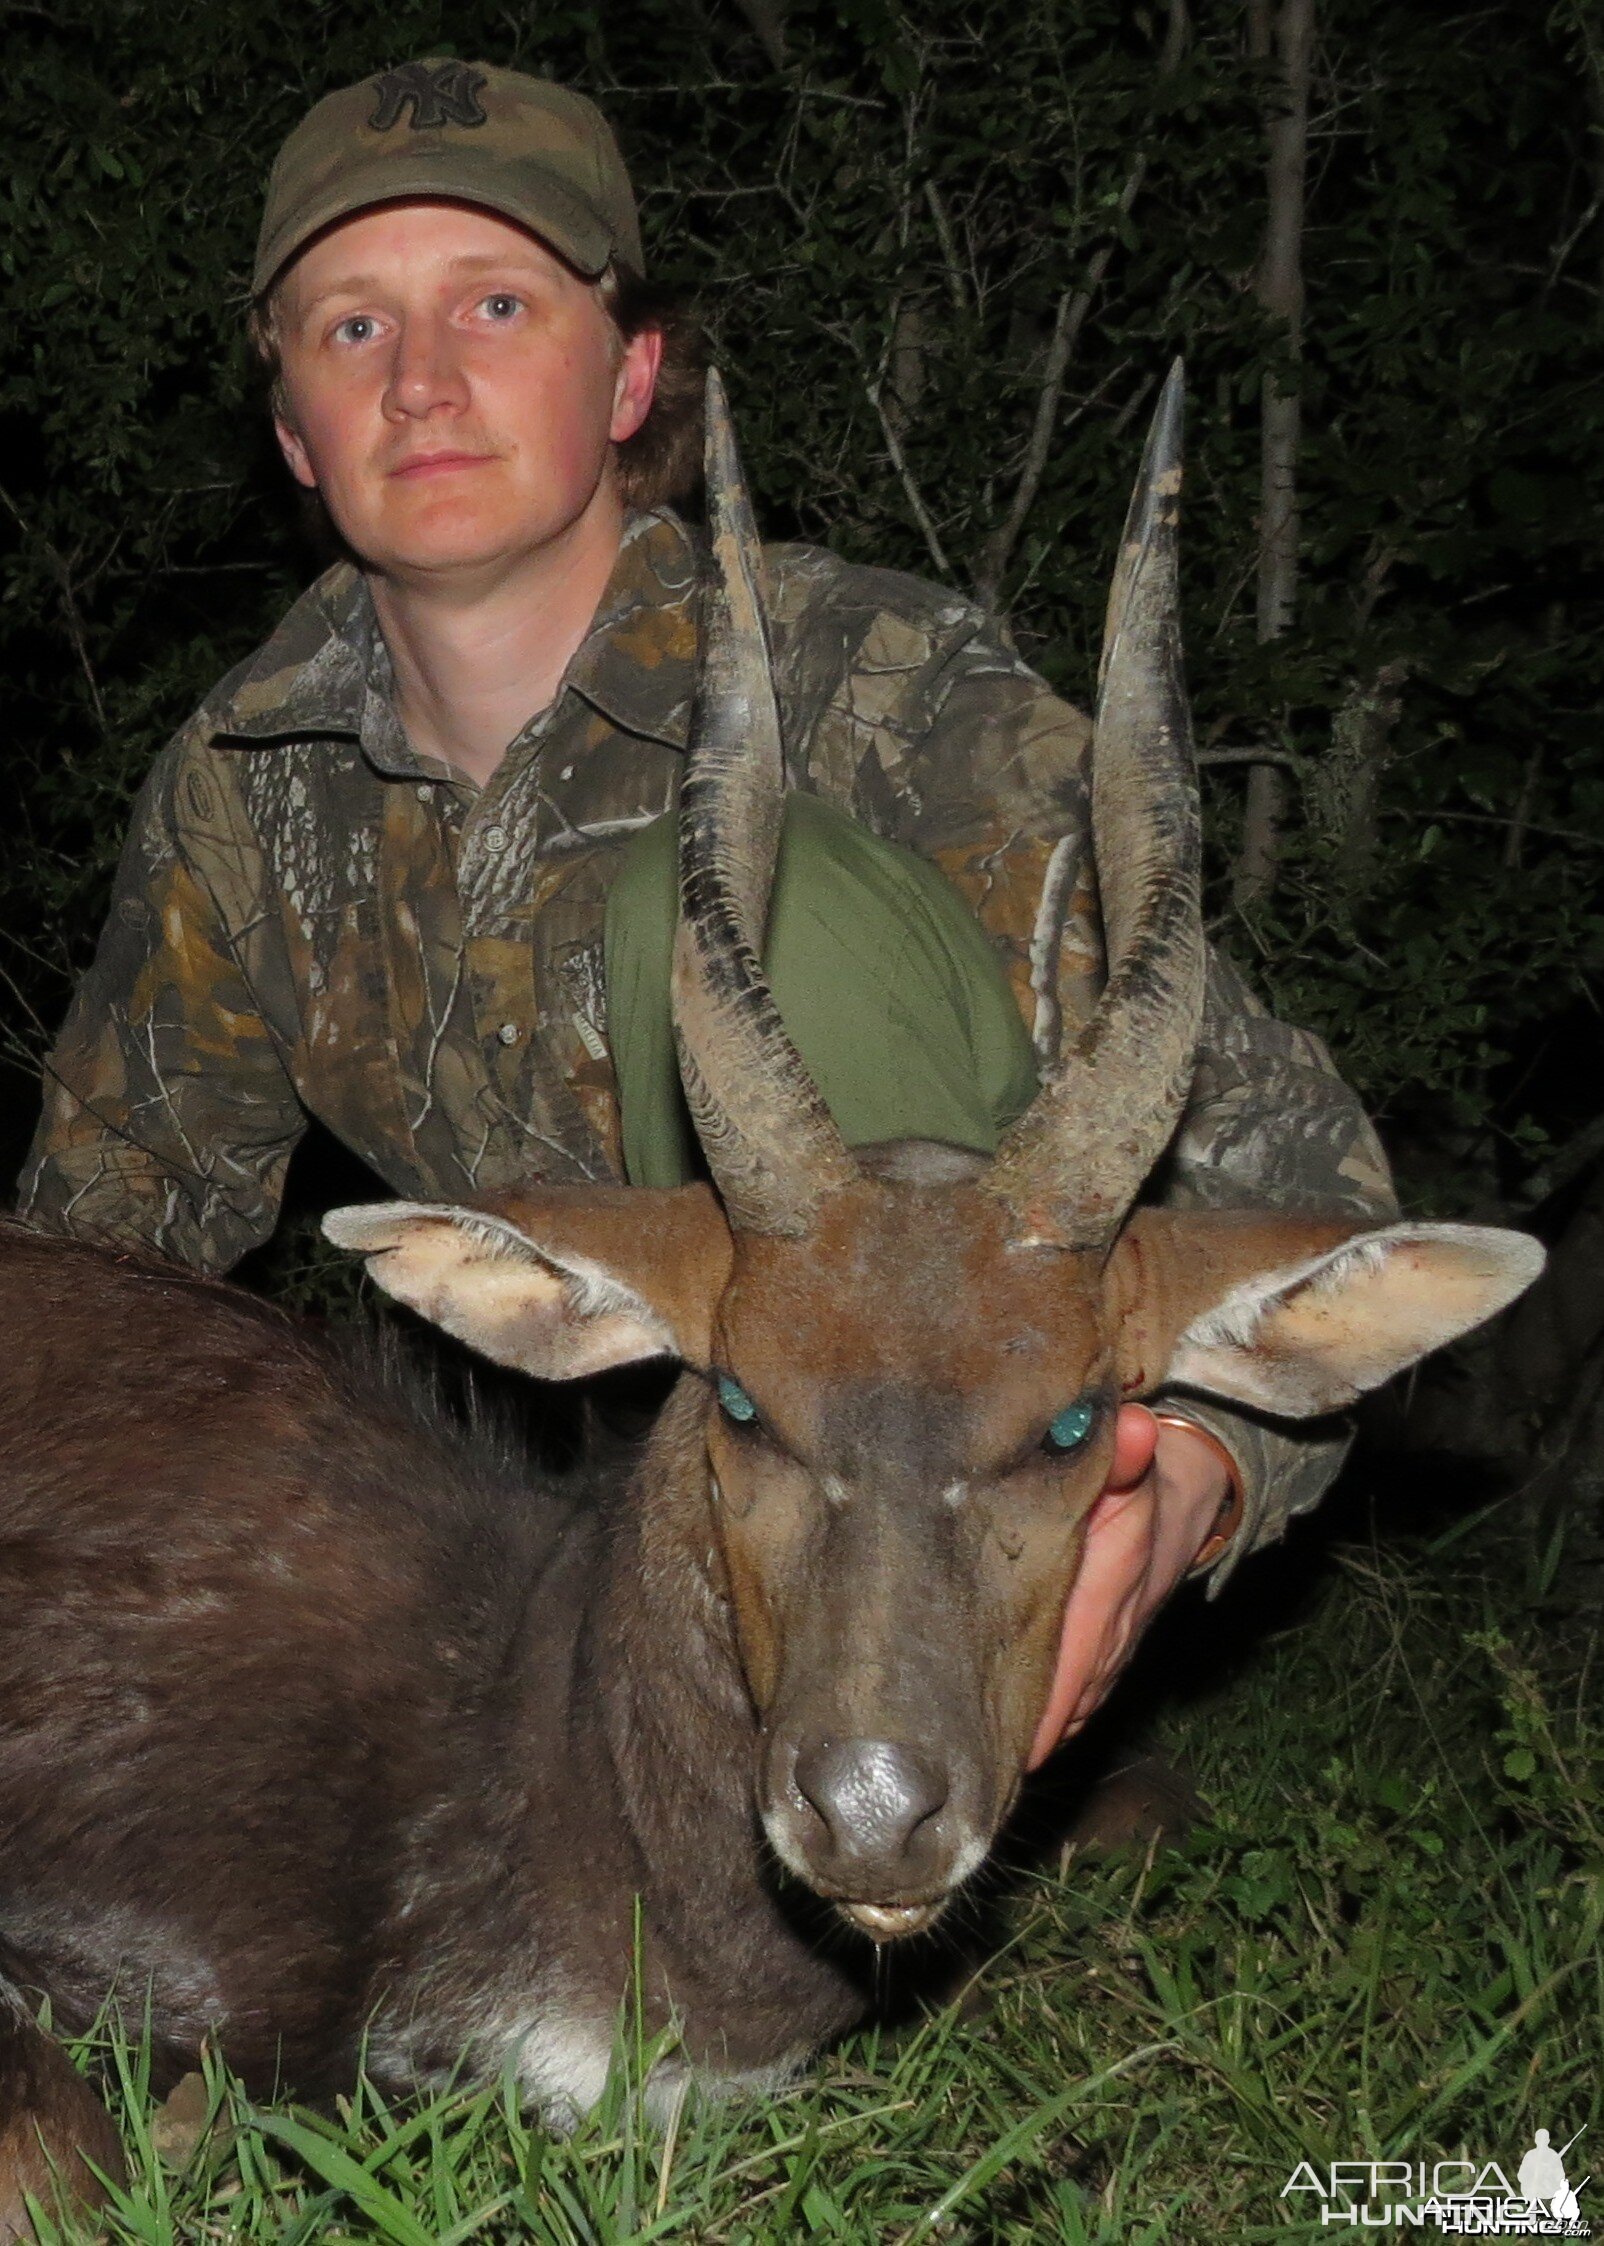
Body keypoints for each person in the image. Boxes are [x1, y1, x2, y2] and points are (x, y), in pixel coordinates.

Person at [16, 59, 1396, 1762]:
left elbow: (1299, 1171)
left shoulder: (878, 690)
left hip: (950, 1510)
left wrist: (1180, 1483)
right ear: (292, 424)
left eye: (497, 303)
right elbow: (97, 1255)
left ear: (631, 374)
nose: (423, 382)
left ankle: (897, 1718)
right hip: (557, 1558)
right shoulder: (245, 780)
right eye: (352, 329)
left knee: (759, 906)